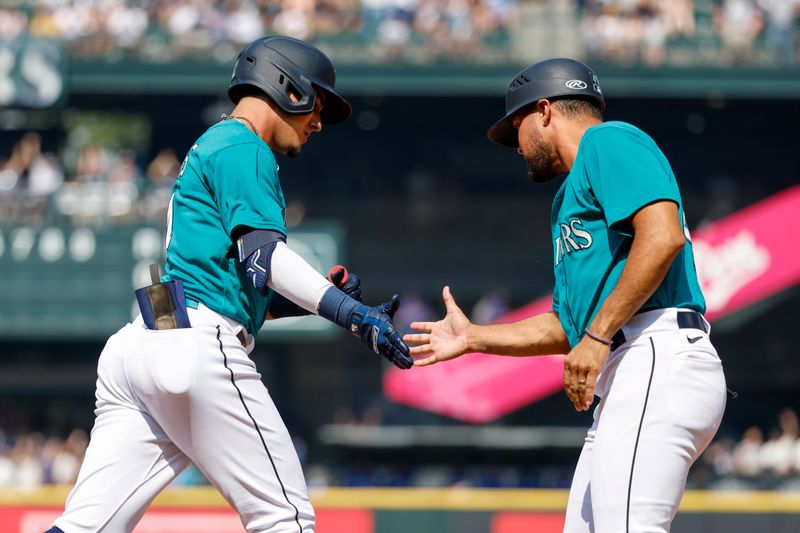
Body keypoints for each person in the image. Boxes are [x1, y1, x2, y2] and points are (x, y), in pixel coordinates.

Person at [45, 35, 412, 533]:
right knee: (285, 517)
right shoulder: (245, 145)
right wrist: (349, 313)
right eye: (317, 105)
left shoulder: (215, 143)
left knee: (86, 526)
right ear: (288, 88)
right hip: (195, 344)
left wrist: (312, 301)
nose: (319, 122)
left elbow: (237, 279)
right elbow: (264, 253)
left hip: (146, 339)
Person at [404, 58, 727, 532]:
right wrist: (475, 337)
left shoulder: (609, 139)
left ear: (544, 110)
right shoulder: (568, 198)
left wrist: (597, 337)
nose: (516, 145)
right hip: (627, 369)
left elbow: (662, 237)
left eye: (516, 127)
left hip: (655, 353)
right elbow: (565, 324)